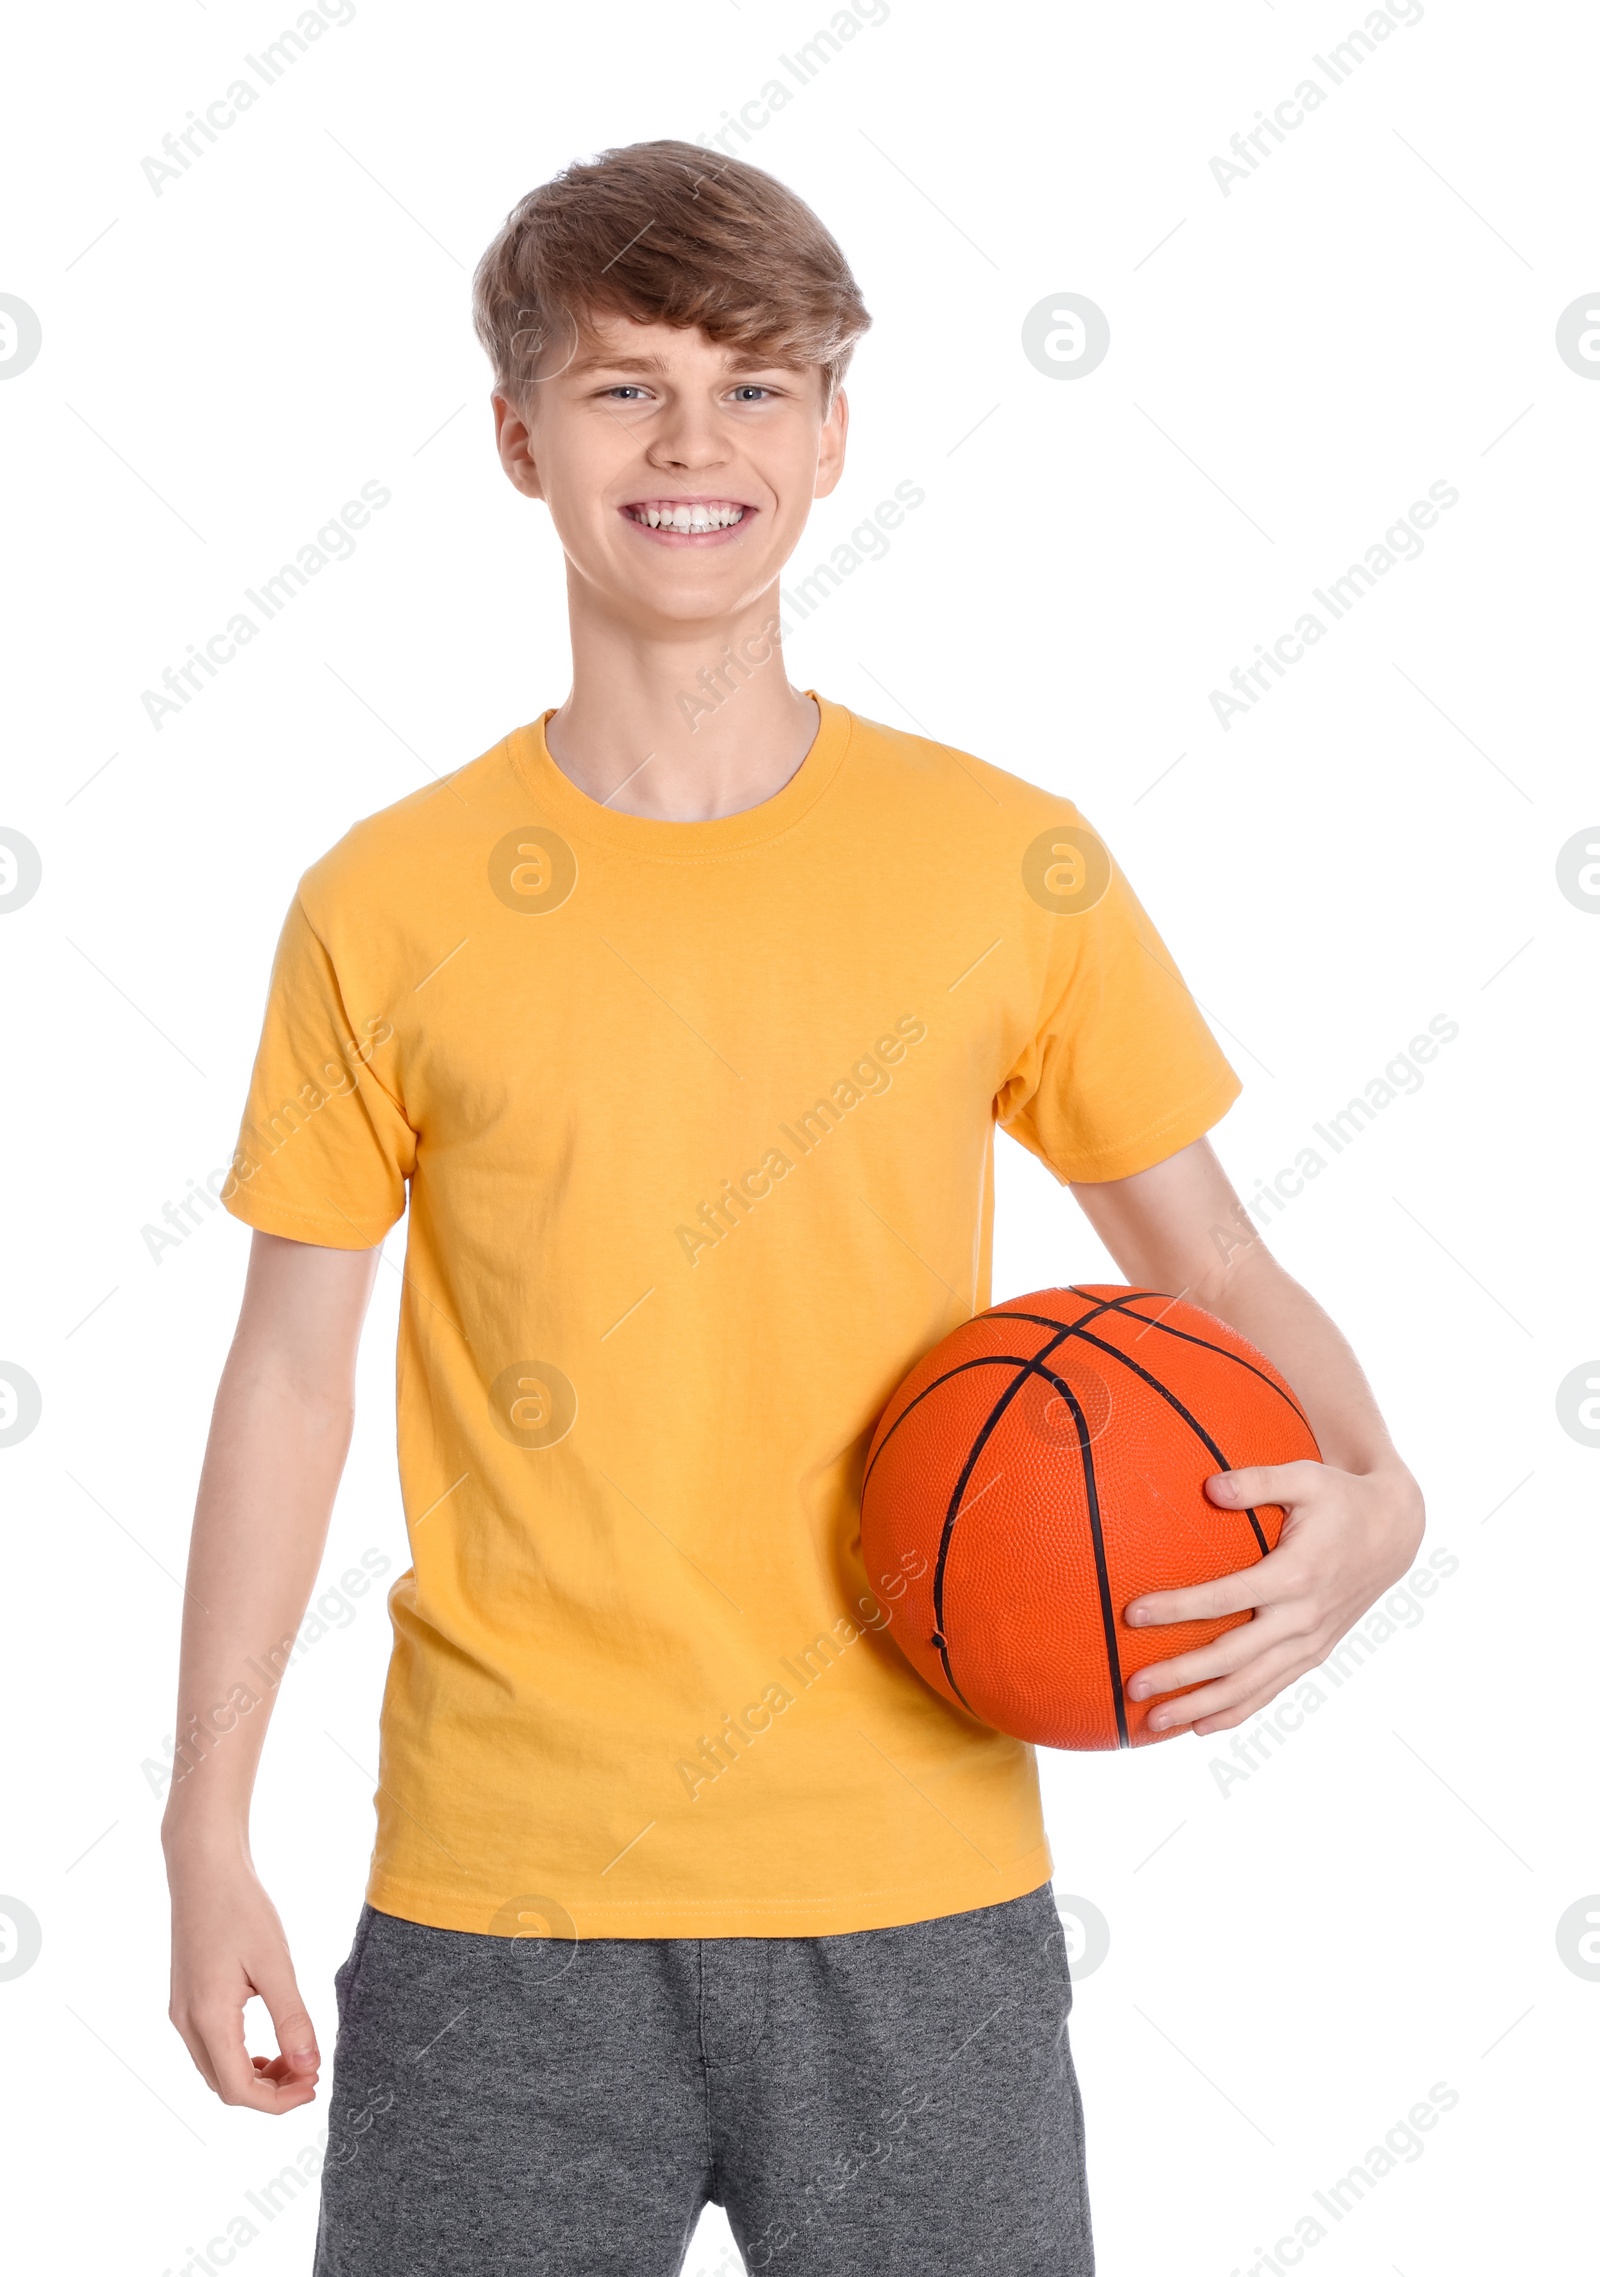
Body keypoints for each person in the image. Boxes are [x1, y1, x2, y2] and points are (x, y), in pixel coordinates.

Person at [161, 140, 1424, 2276]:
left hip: (915, 1891)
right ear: (514, 435)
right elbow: (291, 1377)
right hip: (504, 1900)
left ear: (833, 439)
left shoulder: (999, 862)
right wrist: (206, 1829)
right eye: (621, 384)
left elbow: (1201, 1259)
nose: (691, 443)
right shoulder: (384, 900)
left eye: (755, 386)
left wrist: (1376, 1492)